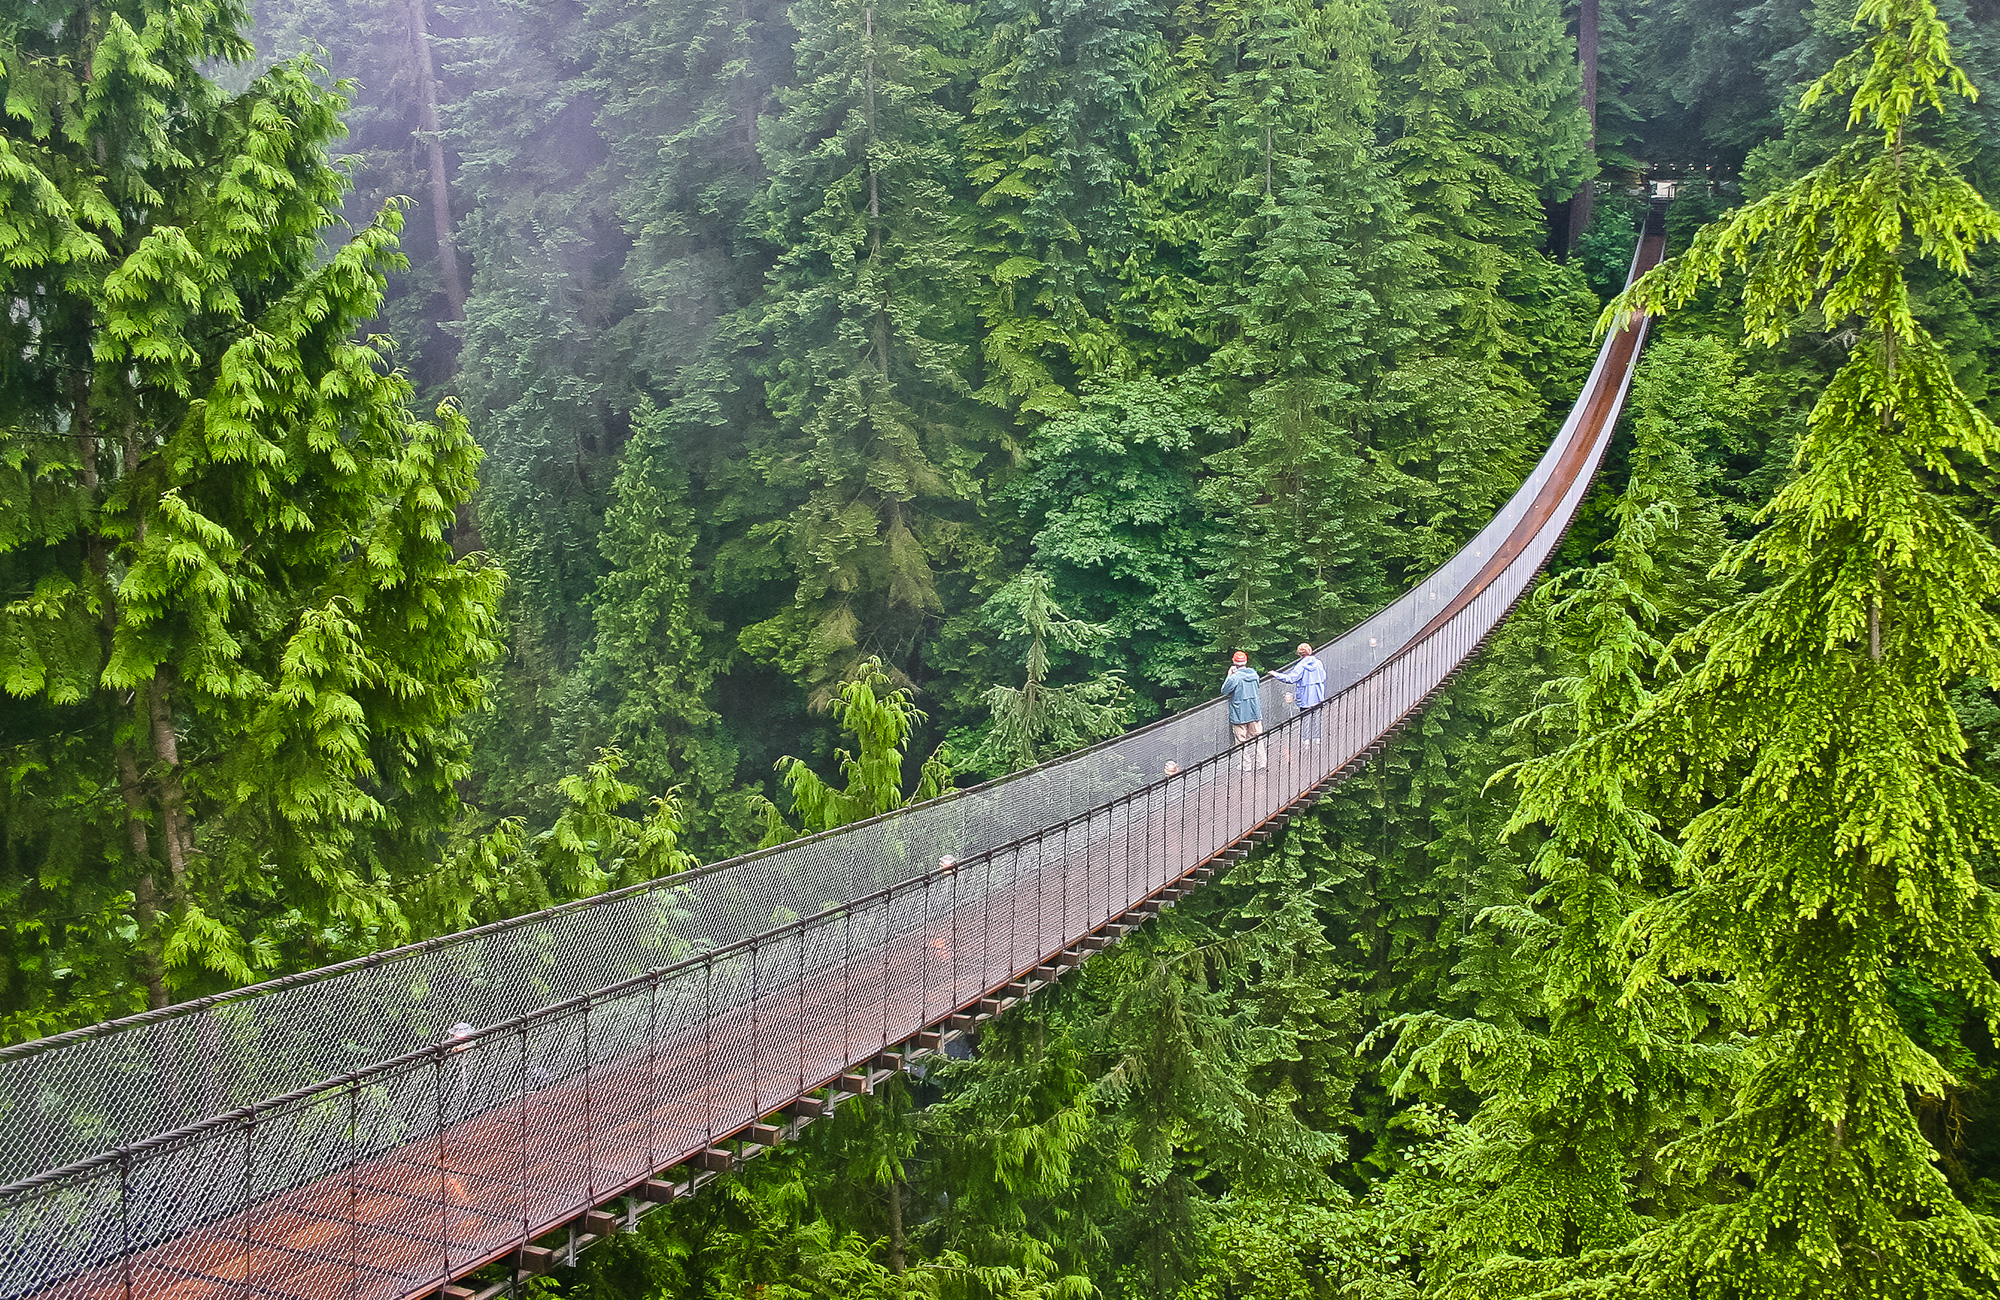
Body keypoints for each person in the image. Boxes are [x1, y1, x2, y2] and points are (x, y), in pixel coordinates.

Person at [1220, 651, 1266, 772]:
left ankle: (1246, 765)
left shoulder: (1235, 677)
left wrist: (1229, 675)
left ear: (1234, 662)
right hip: (1255, 711)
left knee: (1241, 740)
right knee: (1257, 737)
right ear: (1246, 662)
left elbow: (1224, 690)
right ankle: (1262, 762)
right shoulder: (1254, 674)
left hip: (1239, 712)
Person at [1273, 642, 1327, 744]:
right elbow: (1323, 677)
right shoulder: (1319, 663)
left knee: (1305, 718)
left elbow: (1290, 679)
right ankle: (1317, 738)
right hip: (1318, 696)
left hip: (1305, 698)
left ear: (1299, 654)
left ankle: (1305, 740)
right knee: (1317, 717)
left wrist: (1276, 674)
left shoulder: (1301, 665)